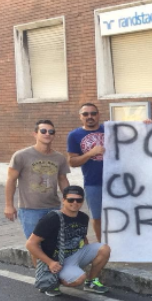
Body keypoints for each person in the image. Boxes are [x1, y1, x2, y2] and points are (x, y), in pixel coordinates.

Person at [25, 186, 112, 297]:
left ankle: (91, 282)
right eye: (71, 200)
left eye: (79, 200)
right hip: (56, 260)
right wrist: (50, 262)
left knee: (104, 248)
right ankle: (51, 281)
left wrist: (89, 255)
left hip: (74, 254)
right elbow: (30, 244)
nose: (75, 203)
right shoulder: (51, 218)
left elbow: (83, 237)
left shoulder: (83, 217)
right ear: (63, 200)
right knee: (78, 279)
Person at [5, 120, 70, 244]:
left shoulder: (59, 158)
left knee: (53, 244)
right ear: (35, 134)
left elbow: (63, 180)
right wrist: (9, 205)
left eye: (51, 132)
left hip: (54, 208)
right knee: (35, 245)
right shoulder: (21, 156)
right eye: (43, 131)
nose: (47, 134)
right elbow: (11, 180)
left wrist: (69, 200)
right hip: (30, 210)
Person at [67, 103, 104, 242]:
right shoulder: (74, 135)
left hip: (116, 181)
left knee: (119, 215)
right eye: (85, 114)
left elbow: (132, 134)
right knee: (97, 217)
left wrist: (146, 125)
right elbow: (72, 162)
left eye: (93, 113)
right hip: (93, 183)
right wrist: (90, 153)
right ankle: (102, 245)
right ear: (80, 117)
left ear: (98, 115)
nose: (90, 116)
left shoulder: (110, 130)